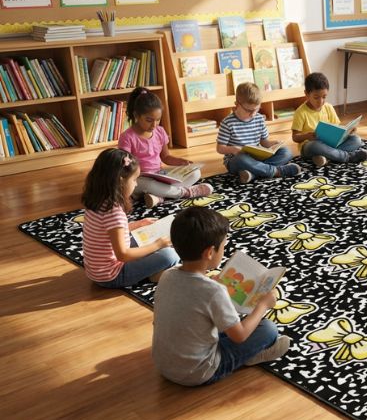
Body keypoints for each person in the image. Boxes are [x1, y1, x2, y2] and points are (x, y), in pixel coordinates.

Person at [152, 207, 290, 386]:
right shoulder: (213, 291)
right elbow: (239, 336)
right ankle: (251, 356)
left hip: (163, 364)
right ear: (210, 252)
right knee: (268, 329)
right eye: (224, 245)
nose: (224, 249)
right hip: (196, 372)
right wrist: (262, 305)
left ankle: (245, 354)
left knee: (208, 321)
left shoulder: (167, 276)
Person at [81, 147, 179, 288]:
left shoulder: (97, 201)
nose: (136, 184)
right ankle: (154, 275)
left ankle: (153, 267)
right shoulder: (114, 211)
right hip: (112, 276)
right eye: (134, 180)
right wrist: (157, 245)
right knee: (170, 255)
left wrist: (138, 224)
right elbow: (123, 255)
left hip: (96, 272)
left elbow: (107, 233)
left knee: (143, 237)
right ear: (121, 181)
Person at [118, 87, 213, 208]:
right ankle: (185, 192)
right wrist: (137, 172)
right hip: (140, 179)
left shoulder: (160, 132)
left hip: (160, 174)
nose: (154, 125)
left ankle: (159, 197)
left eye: (158, 120)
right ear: (136, 115)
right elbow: (124, 167)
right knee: (149, 185)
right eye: (149, 120)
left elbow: (166, 157)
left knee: (195, 173)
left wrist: (181, 162)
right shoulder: (127, 137)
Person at [216, 82, 299, 183]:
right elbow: (220, 148)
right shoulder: (227, 122)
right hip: (236, 161)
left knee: (286, 152)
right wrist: (234, 149)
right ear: (237, 104)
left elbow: (265, 142)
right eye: (249, 110)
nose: (253, 114)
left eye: (256, 109)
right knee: (241, 158)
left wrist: (275, 144)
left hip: (257, 158)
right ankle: (276, 171)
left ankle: (253, 174)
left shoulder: (259, 118)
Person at [292, 72, 367, 167]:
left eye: (324, 97)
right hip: (310, 146)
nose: (321, 101)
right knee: (314, 146)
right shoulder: (300, 112)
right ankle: (347, 157)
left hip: (330, 144)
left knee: (356, 139)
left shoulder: (328, 107)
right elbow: (295, 137)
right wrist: (307, 136)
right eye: (316, 98)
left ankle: (326, 157)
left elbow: (337, 128)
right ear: (307, 94)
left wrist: (348, 131)